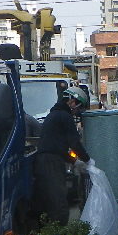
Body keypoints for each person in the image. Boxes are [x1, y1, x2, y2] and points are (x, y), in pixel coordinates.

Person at [33, 86, 91, 226]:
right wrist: (87, 160)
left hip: (44, 162)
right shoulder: (64, 116)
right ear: (71, 101)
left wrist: (74, 161)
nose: (77, 110)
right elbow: (74, 142)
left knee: (50, 201)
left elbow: (57, 146)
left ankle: (49, 233)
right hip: (51, 163)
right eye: (78, 106)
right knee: (59, 204)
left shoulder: (54, 115)